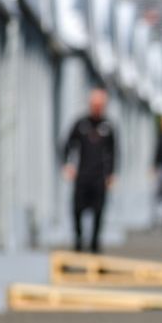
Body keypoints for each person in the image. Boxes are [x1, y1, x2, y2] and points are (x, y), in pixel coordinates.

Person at [62, 88, 116, 253]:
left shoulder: (108, 127)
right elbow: (67, 145)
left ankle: (94, 244)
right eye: (95, 104)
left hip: (99, 177)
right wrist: (68, 164)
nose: (97, 108)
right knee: (77, 209)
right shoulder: (81, 124)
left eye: (101, 105)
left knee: (99, 210)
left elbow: (114, 152)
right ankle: (78, 241)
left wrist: (111, 174)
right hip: (82, 175)